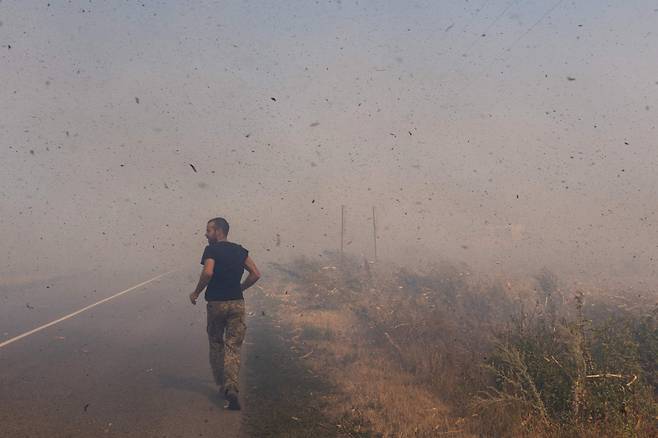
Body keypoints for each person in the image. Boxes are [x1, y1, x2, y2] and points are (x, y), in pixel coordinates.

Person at [189, 217, 261, 410]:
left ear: (219, 231)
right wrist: (240, 288)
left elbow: (208, 272)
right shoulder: (240, 250)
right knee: (233, 346)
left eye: (208, 230)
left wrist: (196, 292)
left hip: (216, 303)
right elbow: (256, 273)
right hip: (237, 303)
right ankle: (232, 388)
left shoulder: (211, 250)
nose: (206, 234)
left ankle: (222, 384)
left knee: (216, 343)